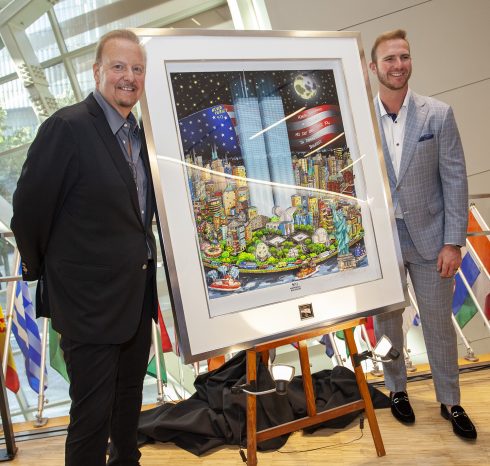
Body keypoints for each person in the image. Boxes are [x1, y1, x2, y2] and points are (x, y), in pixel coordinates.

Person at [11, 29, 158, 465]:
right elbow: (28, 212)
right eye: (118, 67)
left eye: (137, 69)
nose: (128, 77)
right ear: (97, 72)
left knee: (128, 417)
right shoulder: (67, 127)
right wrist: (50, 275)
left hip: (135, 303)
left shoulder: (142, 136)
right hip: (88, 308)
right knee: (91, 423)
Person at [369, 29, 476, 440]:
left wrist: (454, 240)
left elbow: (455, 179)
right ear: (373, 67)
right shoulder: (360, 120)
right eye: (390, 59)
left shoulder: (438, 114)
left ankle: (451, 401)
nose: (398, 65)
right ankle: (396, 390)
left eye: (404, 57)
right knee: (386, 325)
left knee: (438, 325)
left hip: (433, 239)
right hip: (384, 241)